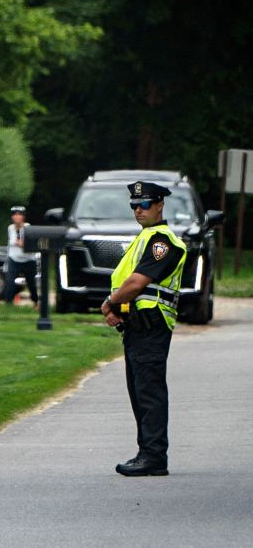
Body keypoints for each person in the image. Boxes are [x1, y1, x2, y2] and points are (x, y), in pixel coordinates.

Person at [101, 181, 187, 477]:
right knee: (139, 391)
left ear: (160, 204)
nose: (139, 210)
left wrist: (109, 304)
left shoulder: (162, 242)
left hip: (152, 325)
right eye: (134, 206)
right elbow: (127, 285)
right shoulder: (144, 239)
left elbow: (137, 284)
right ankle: (146, 452)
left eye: (145, 204)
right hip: (137, 325)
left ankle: (153, 456)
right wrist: (117, 308)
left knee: (149, 391)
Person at [4, 205, 39, 306]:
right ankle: (8, 303)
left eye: (19, 215)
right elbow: (12, 243)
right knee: (10, 281)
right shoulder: (10, 228)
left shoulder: (28, 228)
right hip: (14, 259)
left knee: (31, 283)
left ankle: (35, 302)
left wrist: (23, 244)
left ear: (23, 217)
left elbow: (31, 244)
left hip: (28, 260)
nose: (17, 217)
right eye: (15, 215)